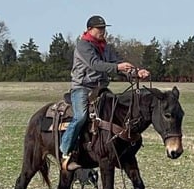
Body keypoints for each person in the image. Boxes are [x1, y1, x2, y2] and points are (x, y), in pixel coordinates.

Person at [59, 15, 150, 171]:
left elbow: (117, 62)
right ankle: (66, 152)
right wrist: (118, 68)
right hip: (82, 88)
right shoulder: (83, 45)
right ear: (89, 29)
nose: (103, 31)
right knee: (80, 117)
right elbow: (95, 65)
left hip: (100, 89)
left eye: (104, 28)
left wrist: (136, 72)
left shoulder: (106, 47)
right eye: (99, 28)